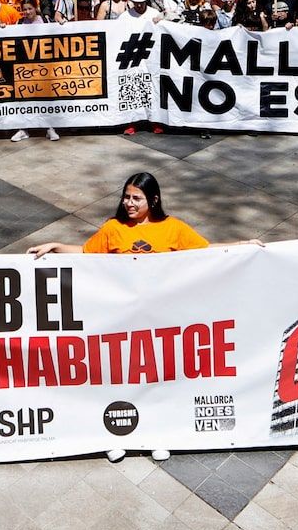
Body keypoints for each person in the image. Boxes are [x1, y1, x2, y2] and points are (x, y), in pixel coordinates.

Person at [27, 172, 261, 462]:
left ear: (153, 199)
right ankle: (115, 436)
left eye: (136, 198)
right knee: (119, 378)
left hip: (161, 322)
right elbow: (87, 254)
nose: (129, 203)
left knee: (159, 379)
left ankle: (159, 435)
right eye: (126, 197)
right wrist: (55, 246)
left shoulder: (173, 228)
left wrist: (240, 247)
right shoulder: (113, 228)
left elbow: (204, 251)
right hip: (121, 323)